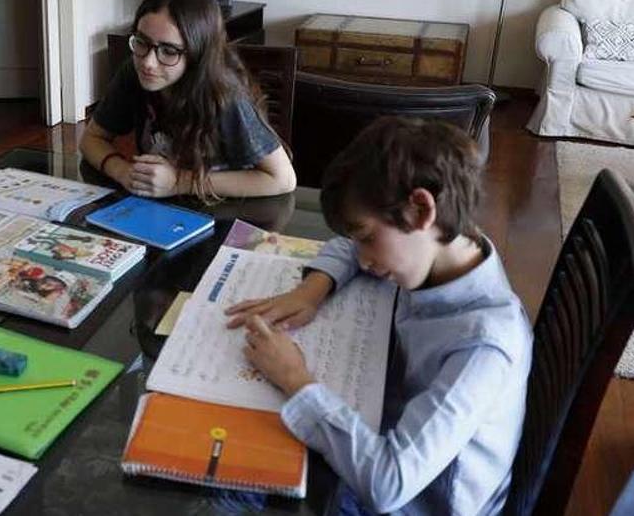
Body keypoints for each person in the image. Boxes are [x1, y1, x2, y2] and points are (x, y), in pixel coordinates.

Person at [225, 117, 533, 515]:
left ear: (421, 208)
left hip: (417, 500)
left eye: (368, 238)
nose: (364, 257)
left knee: (229, 482)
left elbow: (390, 484)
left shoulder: (484, 344)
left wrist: (295, 379)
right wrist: (312, 289)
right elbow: (351, 244)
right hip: (383, 415)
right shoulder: (451, 245)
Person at [79, 0, 295, 200]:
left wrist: (178, 182)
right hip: (157, 209)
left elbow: (283, 179)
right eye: (141, 42)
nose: (148, 63)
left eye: (169, 51)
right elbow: (91, 139)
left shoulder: (225, 95)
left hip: (222, 211)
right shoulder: (133, 73)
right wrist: (123, 172)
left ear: (197, 55)